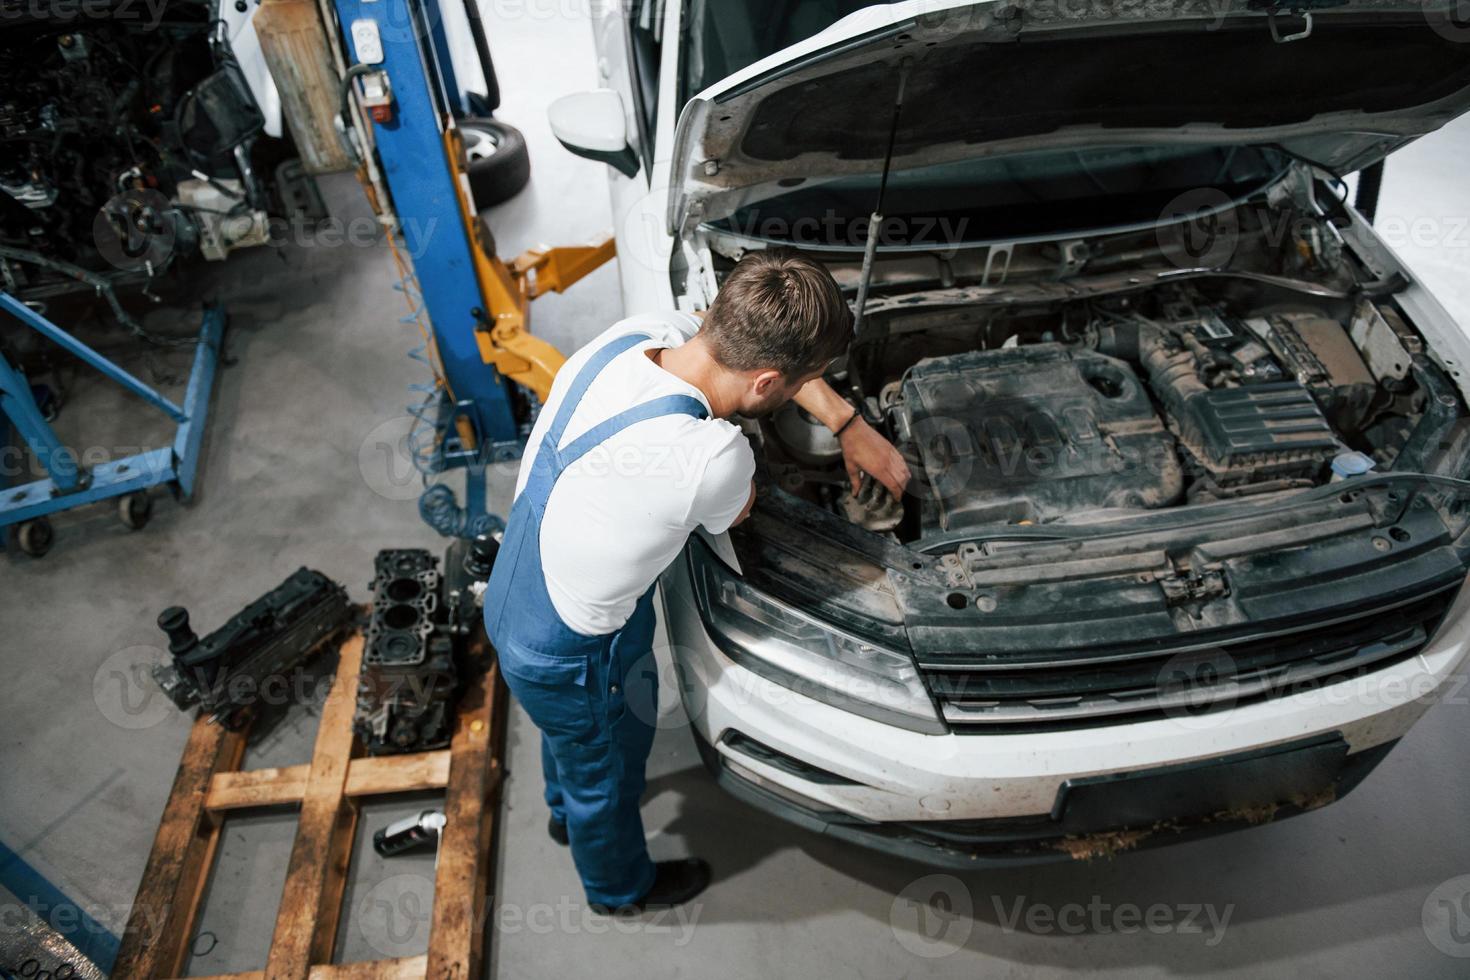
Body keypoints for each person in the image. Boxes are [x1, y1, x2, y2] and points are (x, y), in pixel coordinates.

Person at [482, 247, 909, 913]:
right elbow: (732, 512)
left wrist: (845, 422)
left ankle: (563, 810)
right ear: (768, 384)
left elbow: (738, 356)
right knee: (608, 770)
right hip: (571, 647)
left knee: (569, 736)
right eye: (800, 384)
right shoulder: (713, 458)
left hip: (520, 580)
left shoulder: (633, 337)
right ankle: (617, 889)